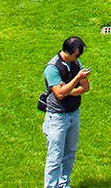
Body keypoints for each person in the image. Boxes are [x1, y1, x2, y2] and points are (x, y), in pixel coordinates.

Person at [41, 37, 91, 188]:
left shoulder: (75, 63)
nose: (78, 58)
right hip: (57, 117)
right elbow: (59, 94)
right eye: (76, 55)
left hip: (73, 114)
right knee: (55, 156)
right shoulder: (52, 68)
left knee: (70, 153)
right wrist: (76, 79)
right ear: (68, 52)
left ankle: (63, 184)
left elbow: (85, 88)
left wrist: (68, 89)